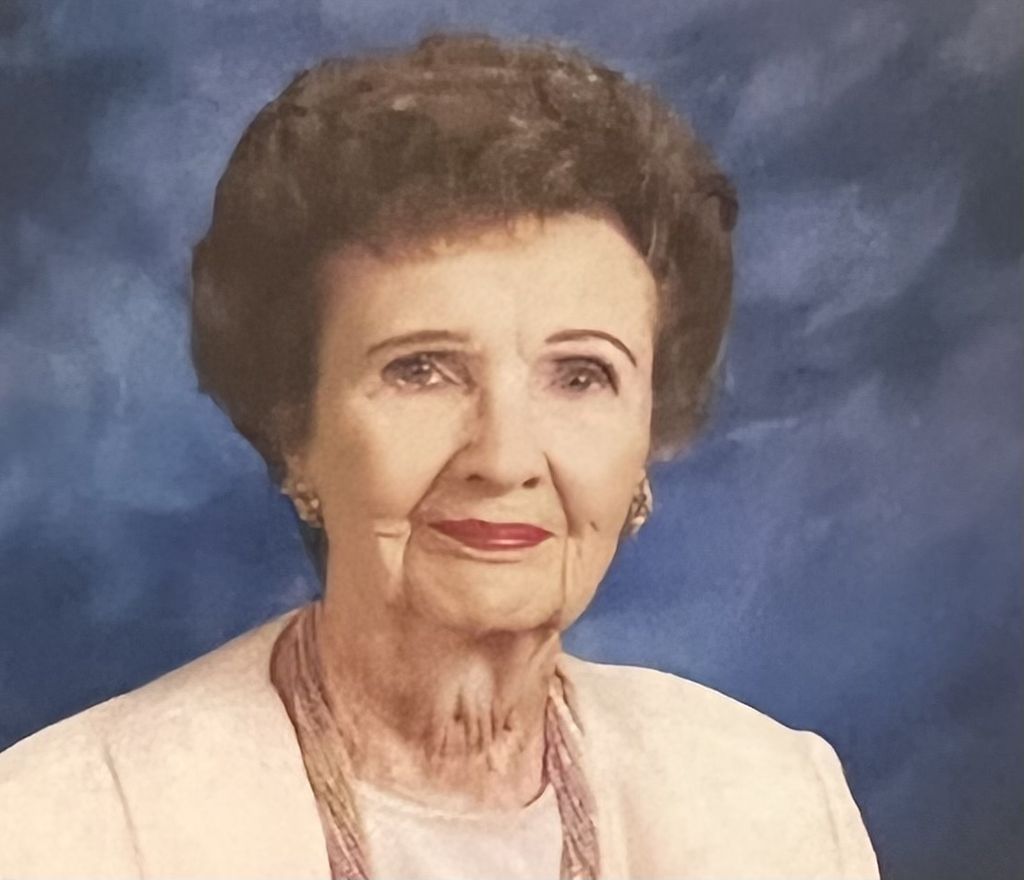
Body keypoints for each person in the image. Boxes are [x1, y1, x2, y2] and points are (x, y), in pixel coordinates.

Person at [0, 32, 879, 879]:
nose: (504, 458)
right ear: (296, 431)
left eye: (581, 375)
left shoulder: (774, 805)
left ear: (649, 435)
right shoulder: (68, 828)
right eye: (421, 370)